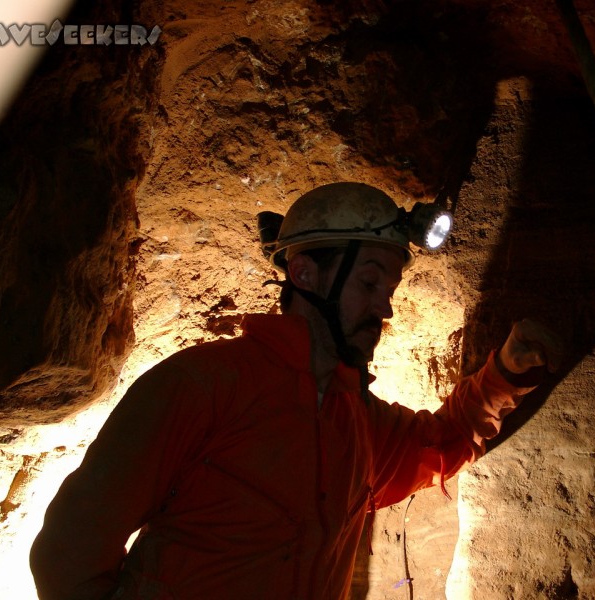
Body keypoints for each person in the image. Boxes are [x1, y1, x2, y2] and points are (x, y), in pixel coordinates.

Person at [30, 182, 562, 599]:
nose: (385, 307)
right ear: (304, 274)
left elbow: (444, 441)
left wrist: (504, 377)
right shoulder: (202, 384)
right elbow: (69, 550)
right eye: (369, 283)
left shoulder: (356, 419)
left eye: (390, 289)